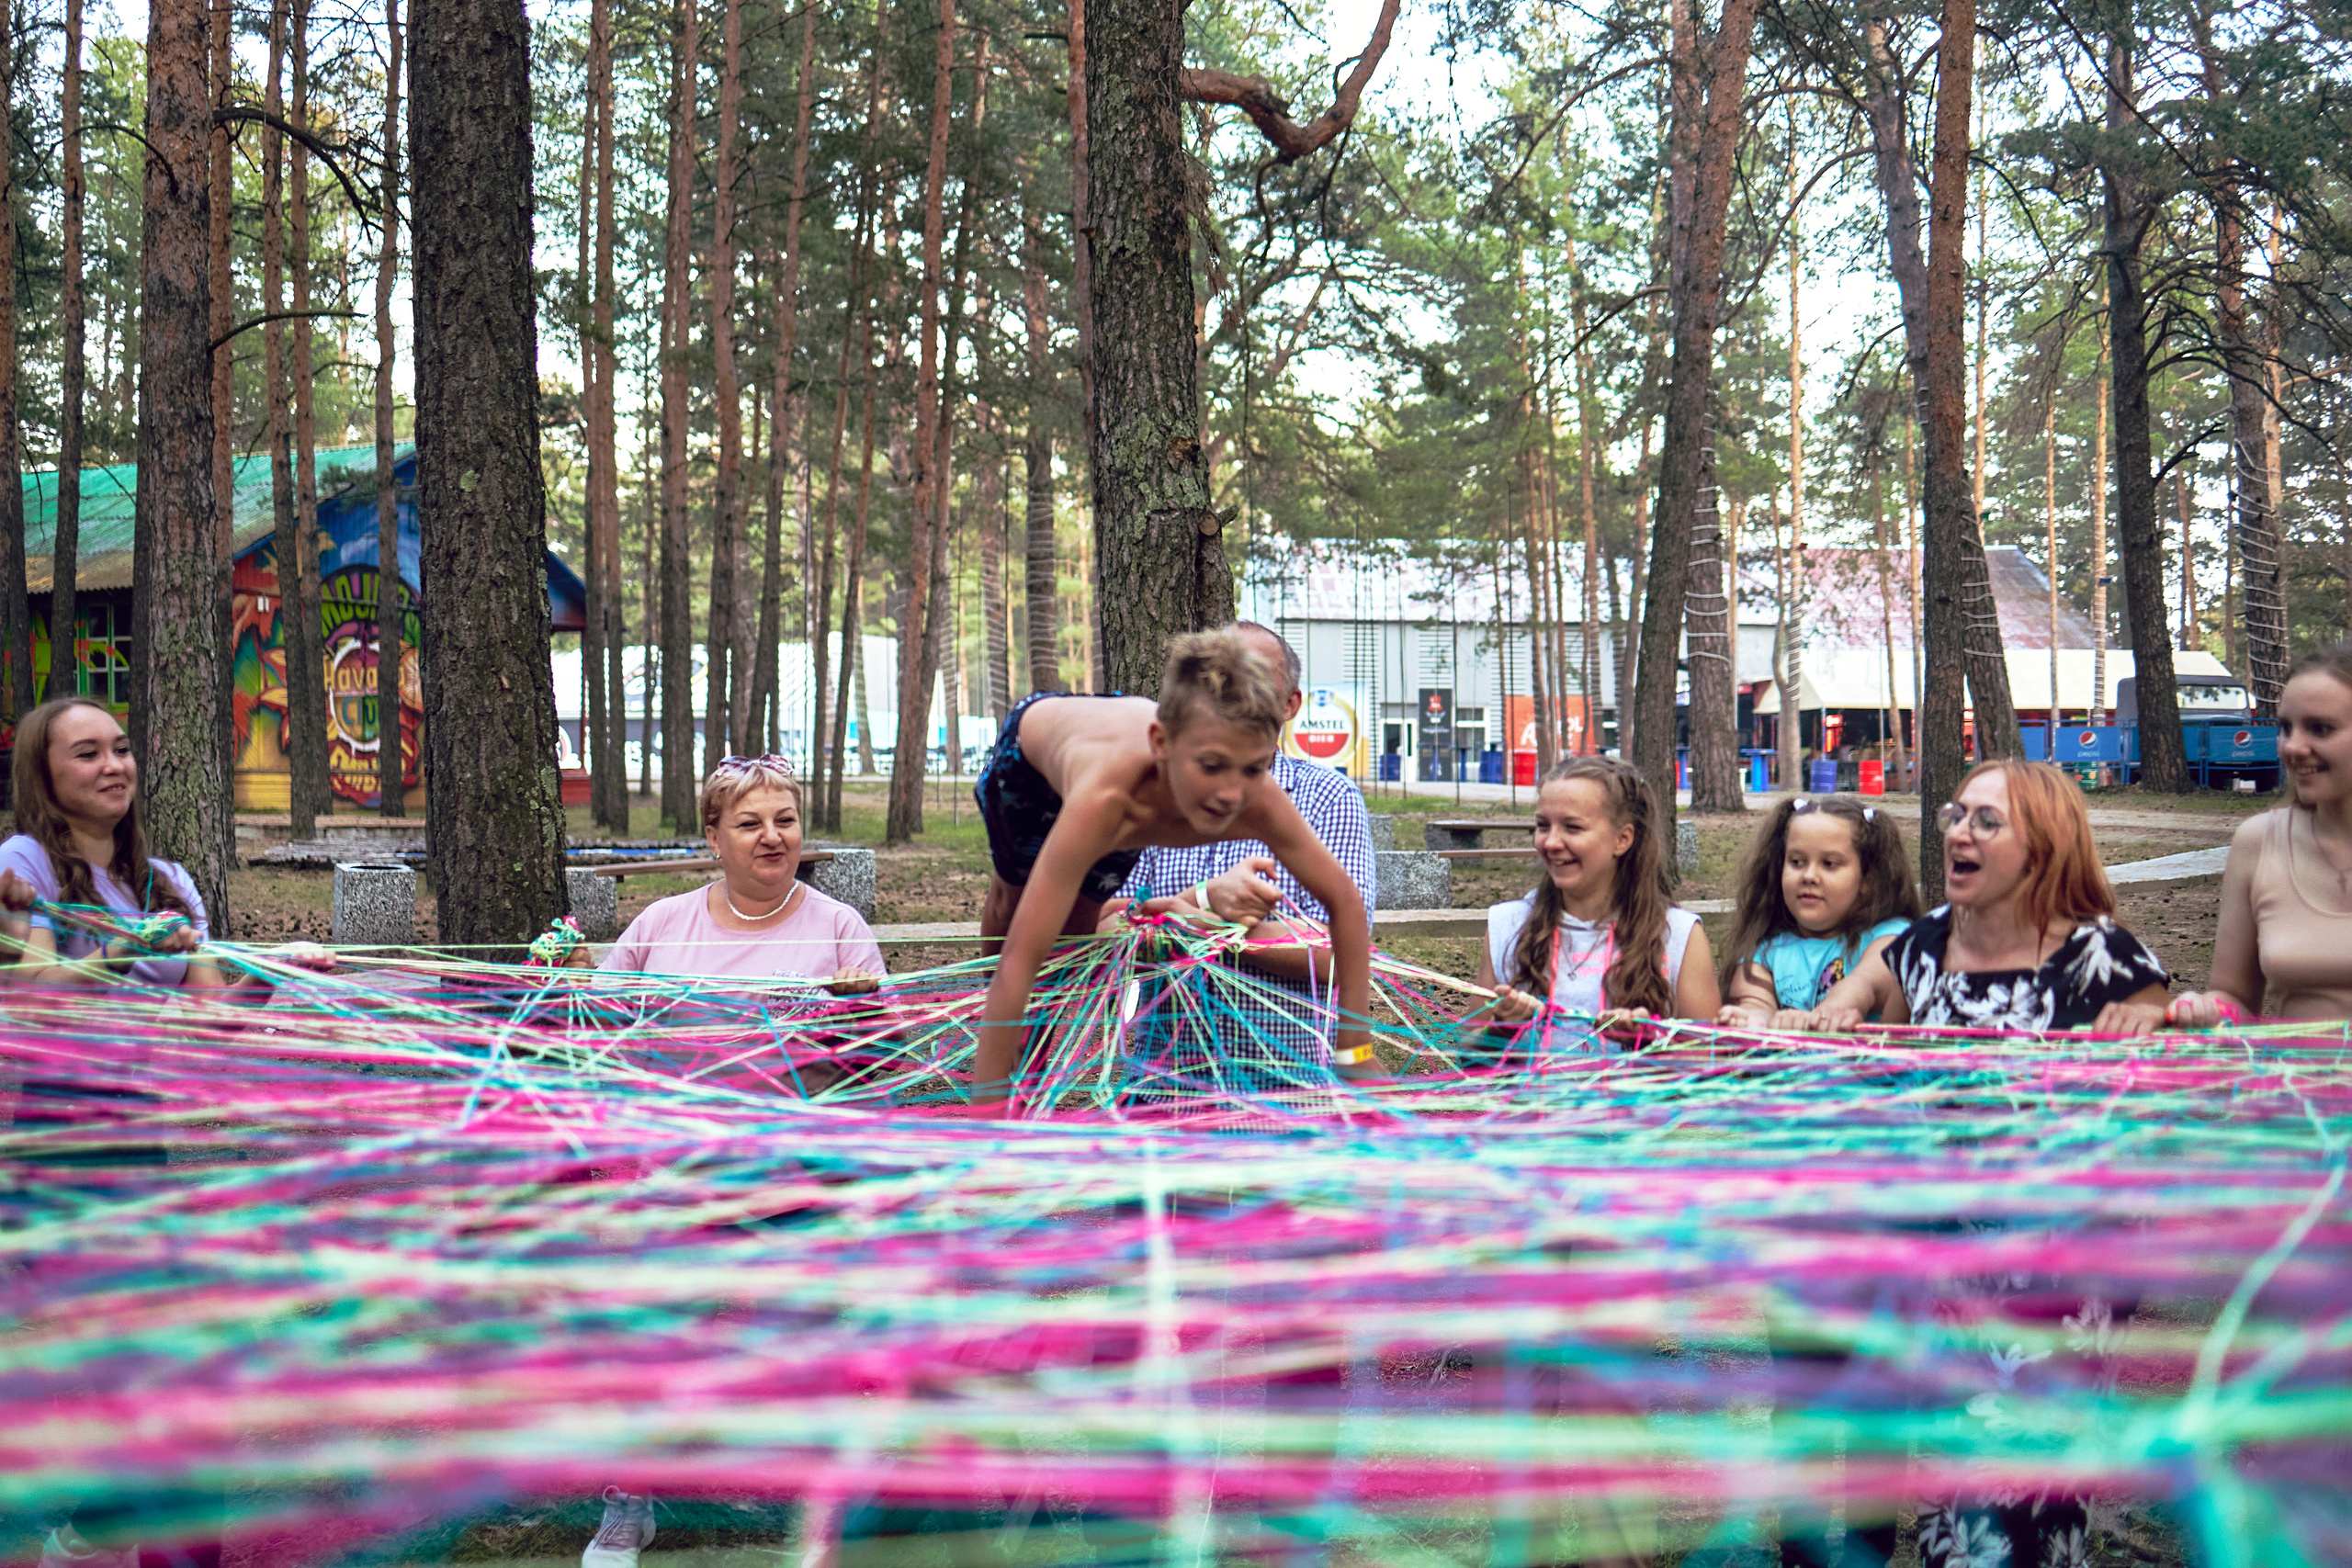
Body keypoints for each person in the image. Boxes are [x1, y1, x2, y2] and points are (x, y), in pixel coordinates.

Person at [969, 630, 1376, 1107]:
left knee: (1075, 934)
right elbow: (1020, 955)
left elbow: (1344, 902)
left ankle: (1026, 1043)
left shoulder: (1255, 795)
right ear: (1163, 744)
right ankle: (1009, 1054)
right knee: (1017, 912)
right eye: (1212, 766)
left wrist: (1355, 1053)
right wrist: (988, 1114)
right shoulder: (1106, 801)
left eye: (1253, 768)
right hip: (1033, 761)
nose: (1231, 794)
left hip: (1133, 751)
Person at [1101, 624, 1377, 1067]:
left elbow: (1336, 956)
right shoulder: (1155, 795)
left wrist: (1209, 928)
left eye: (1256, 682)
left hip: (1289, 1091)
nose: (1236, 698)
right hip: (1165, 1092)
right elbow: (1106, 929)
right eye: (1222, 681)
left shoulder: (1328, 797)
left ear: (1290, 705)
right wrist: (1203, 903)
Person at [1801, 759, 2169, 1034]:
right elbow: (1896, 1063)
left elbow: (2170, 1080)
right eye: (1957, 816)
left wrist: (2163, 1023)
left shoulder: (2106, 955)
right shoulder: (1924, 944)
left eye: (1987, 821)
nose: (1959, 834)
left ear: (2042, 849)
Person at [0, 696, 322, 990]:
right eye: (88, 754)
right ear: (42, 776)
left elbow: (212, 1018)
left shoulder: (171, 882)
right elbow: (35, 998)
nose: (114, 766)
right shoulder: (22, 862)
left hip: (149, 1058)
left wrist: (273, 969)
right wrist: (122, 950)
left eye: (122, 750)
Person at [1469, 755, 1721, 1042]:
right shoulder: (1508, 926)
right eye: (1542, 825)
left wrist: (1651, 1043)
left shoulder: (1678, 936)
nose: (1551, 842)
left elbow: (1712, 1059)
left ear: (1622, 839)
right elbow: (1466, 1051)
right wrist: (1499, 1031)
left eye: (1572, 827)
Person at [2171, 642, 2352, 1024]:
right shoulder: (2258, 841)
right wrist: (2205, 1010)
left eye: (2319, 728)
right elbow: (2234, 996)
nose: (2293, 747)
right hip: (2294, 1082)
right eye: (2286, 728)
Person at [588, 757, 883, 989]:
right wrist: (570, 987)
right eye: (749, 824)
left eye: (785, 820)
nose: (771, 836)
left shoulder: (839, 925)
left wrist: (863, 1008)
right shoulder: (660, 921)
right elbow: (595, 1014)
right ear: (714, 838)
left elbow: (890, 1042)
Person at [1715, 795, 1920, 1027]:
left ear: (1867, 878)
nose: (1809, 876)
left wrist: (1827, 1014)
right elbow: (1755, 1004)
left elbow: (1864, 985)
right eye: (1796, 862)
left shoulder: (1892, 938)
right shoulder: (1765, 951)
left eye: (1830, 864)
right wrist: (1750, 1020)